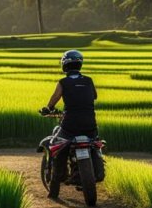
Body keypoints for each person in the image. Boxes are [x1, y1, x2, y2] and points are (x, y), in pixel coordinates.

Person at [40, 49, 104, 198]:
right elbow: (94, 96)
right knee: (95, 143)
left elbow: (55, 98)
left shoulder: (63, 82)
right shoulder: (88, 80)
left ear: (64, 65)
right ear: (79, 65)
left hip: (70, 125)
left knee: (58, 146)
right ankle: (95, 170)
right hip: (90, 125)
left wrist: (47, 109)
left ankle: (56, 185)